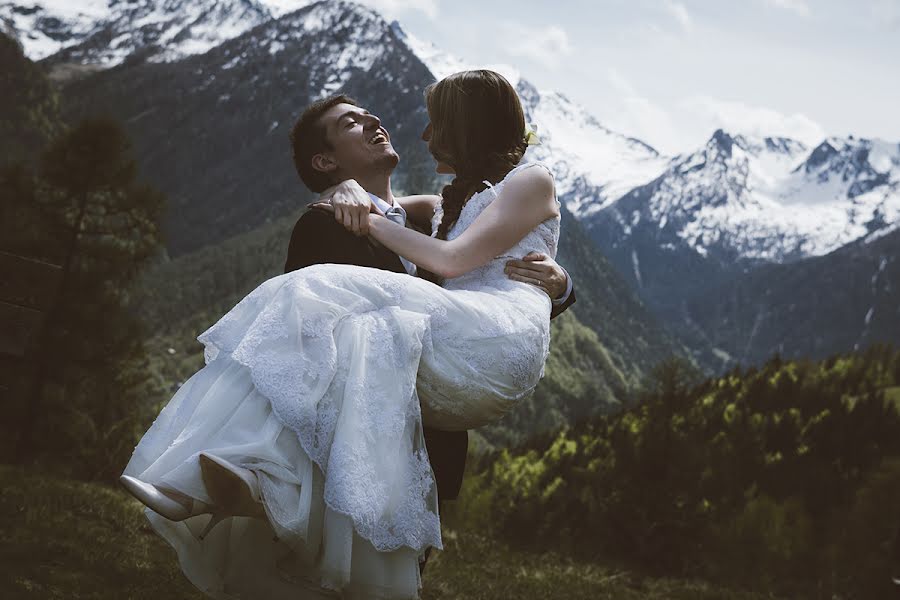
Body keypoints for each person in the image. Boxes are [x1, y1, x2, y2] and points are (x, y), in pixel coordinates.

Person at [119, 69, 566, 600]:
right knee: (320, 305)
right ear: (326, 162)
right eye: (353, 123)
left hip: (442, 397)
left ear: (465, 129)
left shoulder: (456, 208)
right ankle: (244, 470)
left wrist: (559, 285)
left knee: (319, 294)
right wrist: (348, 195)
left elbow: (471, 255)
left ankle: (239, 474)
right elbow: (307, 351)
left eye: (435, 125)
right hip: (355, 424)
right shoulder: (343, 222)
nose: (421, 136)